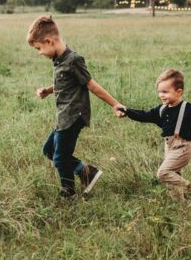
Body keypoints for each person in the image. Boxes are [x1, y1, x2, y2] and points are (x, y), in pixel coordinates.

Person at [28, 15, 126, 198]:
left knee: (60, 157)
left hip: (73, 116)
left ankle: (69, 192)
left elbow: (91, 85)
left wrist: (115, 104)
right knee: (49, 150)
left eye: (39, 48)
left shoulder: (74, 60)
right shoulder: (58, 60)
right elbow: (64, 84)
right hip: (63, 116)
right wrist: (48, 90)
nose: (39, 53)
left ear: (49, 41)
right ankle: (86, 172)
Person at [119, 69, 191, 205]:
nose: (161, 95)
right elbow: (144, 115)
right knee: (174, 178)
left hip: (182, 147)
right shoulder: (162, 109)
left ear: (179, 92)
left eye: (165, 92)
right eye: (159, 92)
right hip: (169, 147)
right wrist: (126, 110)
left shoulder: (186, 108)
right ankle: (180, 205)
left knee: (163, 173)